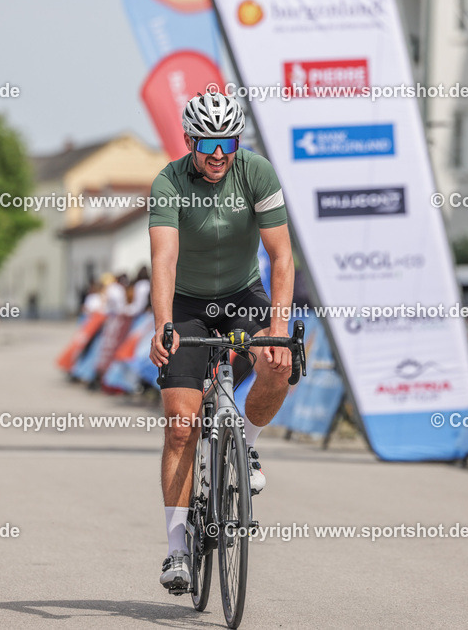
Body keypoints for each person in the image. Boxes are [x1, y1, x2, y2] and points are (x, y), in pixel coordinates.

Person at [147, 92, 294, 592]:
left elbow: (282, 257)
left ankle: (246, 446)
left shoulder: (257, 173)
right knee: (181, 427)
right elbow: (164, 260)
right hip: (186, 303)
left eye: (227, 142)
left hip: (241, 295)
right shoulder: (168, 182)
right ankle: (176, 550)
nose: (217, 153)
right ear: (190, 140)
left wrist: (277, 329)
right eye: (207, 143)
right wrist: (164, 324)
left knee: (278, 363)